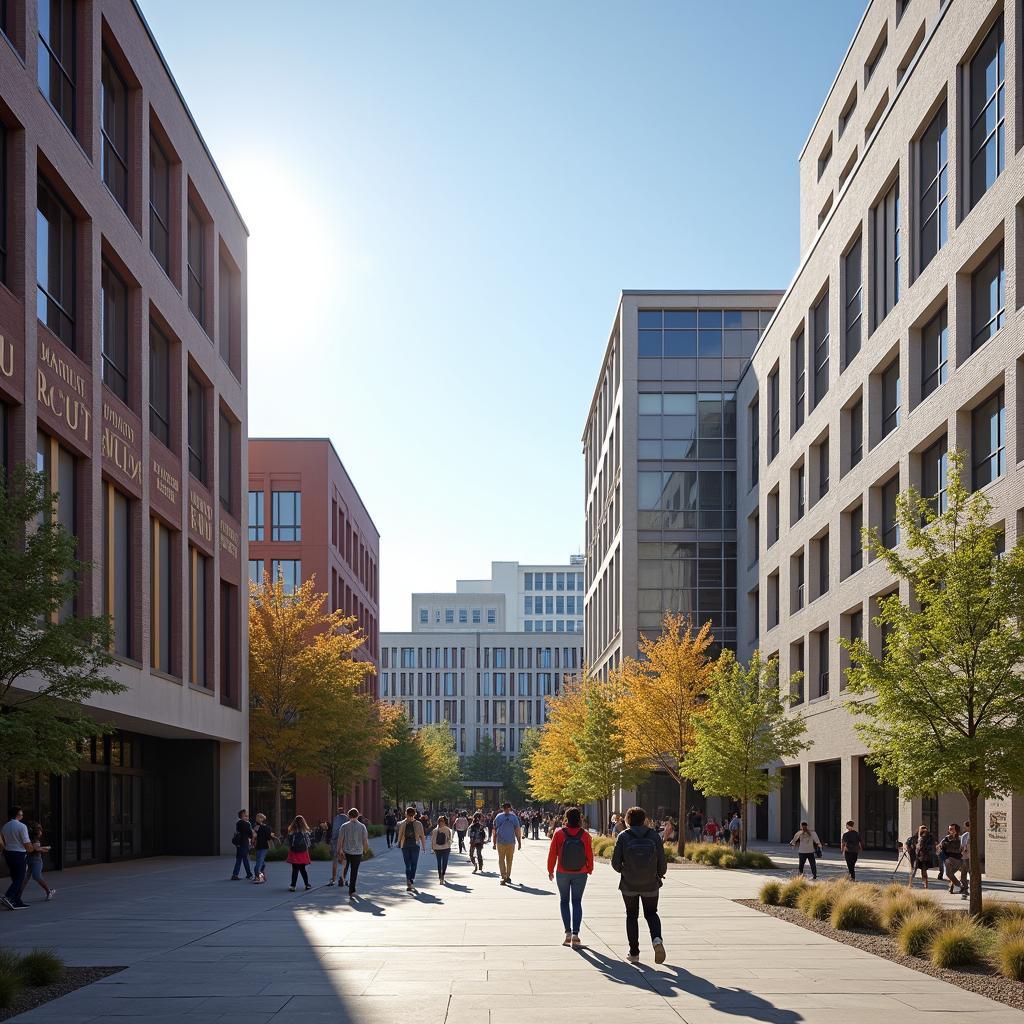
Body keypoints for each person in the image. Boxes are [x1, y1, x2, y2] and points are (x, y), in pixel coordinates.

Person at [612, 806, 668, 965]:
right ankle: (657, 940)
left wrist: (625, 870)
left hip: (629, 884)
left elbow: (615, 863)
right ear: (644, 820)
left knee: (631, 915)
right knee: (651, 913)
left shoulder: (623, 836)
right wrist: (658, 874)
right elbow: (662, 862)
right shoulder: (654, 836)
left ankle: (634, 952)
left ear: (627, 820)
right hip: (650, 883)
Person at [547, 806, 593, 948]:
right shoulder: (585, 835)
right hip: (580, 872)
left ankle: (567, 933)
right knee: (577, 902)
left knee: (564, 901)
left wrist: (550, 870)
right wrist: (589, 868)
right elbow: (589, 854)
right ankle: (576, 935)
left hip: (563, 871)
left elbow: (552, 852)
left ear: (566, 818)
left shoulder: (559, 833)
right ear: (580, 818)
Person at [0, 807, 30, 910]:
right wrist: (32, 848)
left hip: (8, 853)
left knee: (15, 877)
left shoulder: (5, 826)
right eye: (21, 814)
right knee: (20, 878)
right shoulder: (22, 826)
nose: (22, 816)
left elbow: (3, 841)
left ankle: (17, 900)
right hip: (19, 854)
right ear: (17, 814)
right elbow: (26, 842)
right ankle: (8, 897)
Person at [337, 807, 370, 900]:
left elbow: (340, 840)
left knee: (345, 867)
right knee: (354, 871)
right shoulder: (362, 826)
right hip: (358, 852)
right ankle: (352, 891)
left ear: (348, 815)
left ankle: (342, 879)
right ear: (358, 815)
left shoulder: (344, 826)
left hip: (346, 851)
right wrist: (366, 850)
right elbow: (365, 840)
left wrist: (339, 850)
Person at [18, 823, 55, 903]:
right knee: (26, 879)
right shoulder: (34, 839)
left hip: (32, 860)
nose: (41, 832)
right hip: (34, 860)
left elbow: (35, 848)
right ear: (38, 831)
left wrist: (43, 848)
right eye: (40, 830)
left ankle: (49, 891)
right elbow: (36, 849)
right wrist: (45, 849)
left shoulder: (30, 838)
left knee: (35, 876)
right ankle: (17, 897)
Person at [492, 801, 522, 886]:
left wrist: (519, 842)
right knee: (501, 859)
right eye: (505, 809)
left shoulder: (514, 817)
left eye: (508, 808)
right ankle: (503, 875)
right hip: (500, 841)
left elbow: (517, 830)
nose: (506, 810)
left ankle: (507, 875)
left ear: (510, 808)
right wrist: (494, 842)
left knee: (509, 860)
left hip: (511, 842)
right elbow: (495, 829)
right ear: (503, 809)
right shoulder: (498, 817)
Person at [399, 806, 427, 892]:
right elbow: (422, 836)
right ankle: (411, 880)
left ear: (406, 814)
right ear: (414, 814)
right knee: (414, 864)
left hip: (405, 846)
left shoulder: (402, 823)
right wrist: (424, 847)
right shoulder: (418, 823)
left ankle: (408, 880)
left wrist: (398, 843)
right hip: (415, 846)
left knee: (407, 864)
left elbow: (400, 835)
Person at [286, 815, 313, 891]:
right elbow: (308, 843)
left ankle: (293, 886)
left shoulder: (292, 831)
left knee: (295, 869)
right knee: (303, 869)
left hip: (294, 852)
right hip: (303, 852)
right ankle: (307, 884)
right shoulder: (305, 831)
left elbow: (289, 842)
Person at [939, 823, 964, 895]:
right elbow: (940, 847)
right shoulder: (946, 838)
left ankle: (952, 886)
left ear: (956, 830)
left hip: (957, 860)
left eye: (952, 829)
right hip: (948, 859)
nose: (950, 830)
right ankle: (960, 886)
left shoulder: (960, 838)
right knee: (948, 873)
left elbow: (961, 849)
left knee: (950, 874)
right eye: (949, 829)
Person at [328, 804, 348, 888]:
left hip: (334, 840)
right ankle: (342, 878)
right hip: (343, 841)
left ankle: (333, 878)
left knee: (335, 859)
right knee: (344, 860)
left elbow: (333, 830)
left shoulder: (335, 818)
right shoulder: (346, 818)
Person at [230, 809, 254, 880]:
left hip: (240, 844)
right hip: (243, 843)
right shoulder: (245, 824)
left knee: (242, 859)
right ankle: (236, 874)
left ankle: (248, 874)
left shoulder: (238, 823)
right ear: (241, 816)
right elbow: (250, 833)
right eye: (245, 816)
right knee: (242, 859)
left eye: (247, 816)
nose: (247, 817)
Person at [911, 824, 936, 889]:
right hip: (917, 856)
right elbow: (910, 844)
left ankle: (926, 884)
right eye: (922, 828)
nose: (924, 829)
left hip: (925, 856)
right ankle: (910, 883)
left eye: (925, 828)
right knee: (914, 870)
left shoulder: (929, 837)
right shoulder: (915, 837)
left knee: (924, 871)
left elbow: (933, 845)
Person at [431, 814, 454, 884]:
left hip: (437, 848)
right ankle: (442, 875)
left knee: (439, 863)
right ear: (445, 822)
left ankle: (440, 877)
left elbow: (433, 840)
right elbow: (450, 839)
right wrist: (449, 844)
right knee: (444, 862)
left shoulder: (435, 830)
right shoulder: (448, 830)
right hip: (446, 848)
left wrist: (433, 848)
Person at [253, 813, 274, 884]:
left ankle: (260, 876)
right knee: (260, 861)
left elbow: (254, 836)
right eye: (258, 817)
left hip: (260, 846)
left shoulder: (256, 827)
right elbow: (268, 837)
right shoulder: (266, 828)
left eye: (259, 817)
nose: (257, 819)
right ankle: (260, 876)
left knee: (260, 861)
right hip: (263, 846)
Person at [959, 820, 971, 900]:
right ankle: (965, 890)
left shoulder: (967, 835)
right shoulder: (965, 835)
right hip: (965, 857)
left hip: (969, 857)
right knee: (964, 874)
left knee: (969, 873)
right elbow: (962, 847)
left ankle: (967, 890)